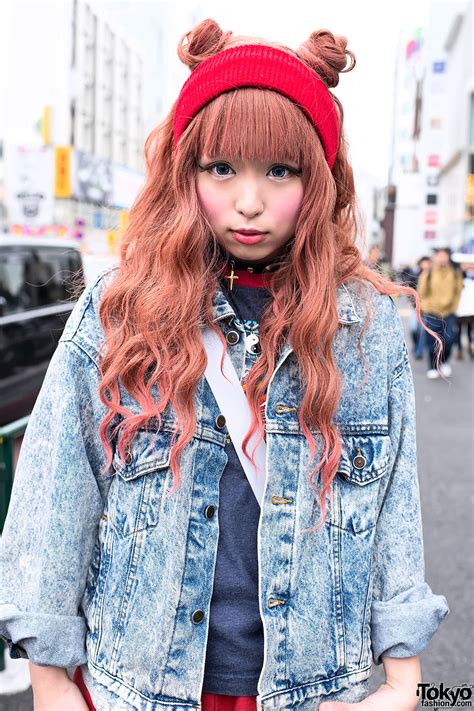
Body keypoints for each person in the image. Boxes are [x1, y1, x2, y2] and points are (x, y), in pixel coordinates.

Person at [0, 18, 449, 711]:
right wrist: (54, 685)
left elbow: (394, 506)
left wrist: (403, 683)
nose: (248, 201)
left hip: (307, 692)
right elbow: (55, 493)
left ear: (318, 179)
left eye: (280, 170)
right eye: (222, 168)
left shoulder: (365, 327)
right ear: (187, 172)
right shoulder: (123, 311)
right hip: (139, 687)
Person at [417, 247, 464, 379]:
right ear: (436, 257)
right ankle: (432, 367)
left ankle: (444, 362)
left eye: (444, 255)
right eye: (440, 256)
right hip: (431, 312)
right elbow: (422, 291)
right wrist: (425, 307)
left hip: (449, 313)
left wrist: (454, 307)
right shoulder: (429, 271)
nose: (442, 258)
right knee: (432, 341)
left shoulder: (455, 272)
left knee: (449, 340)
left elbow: (458, 291)